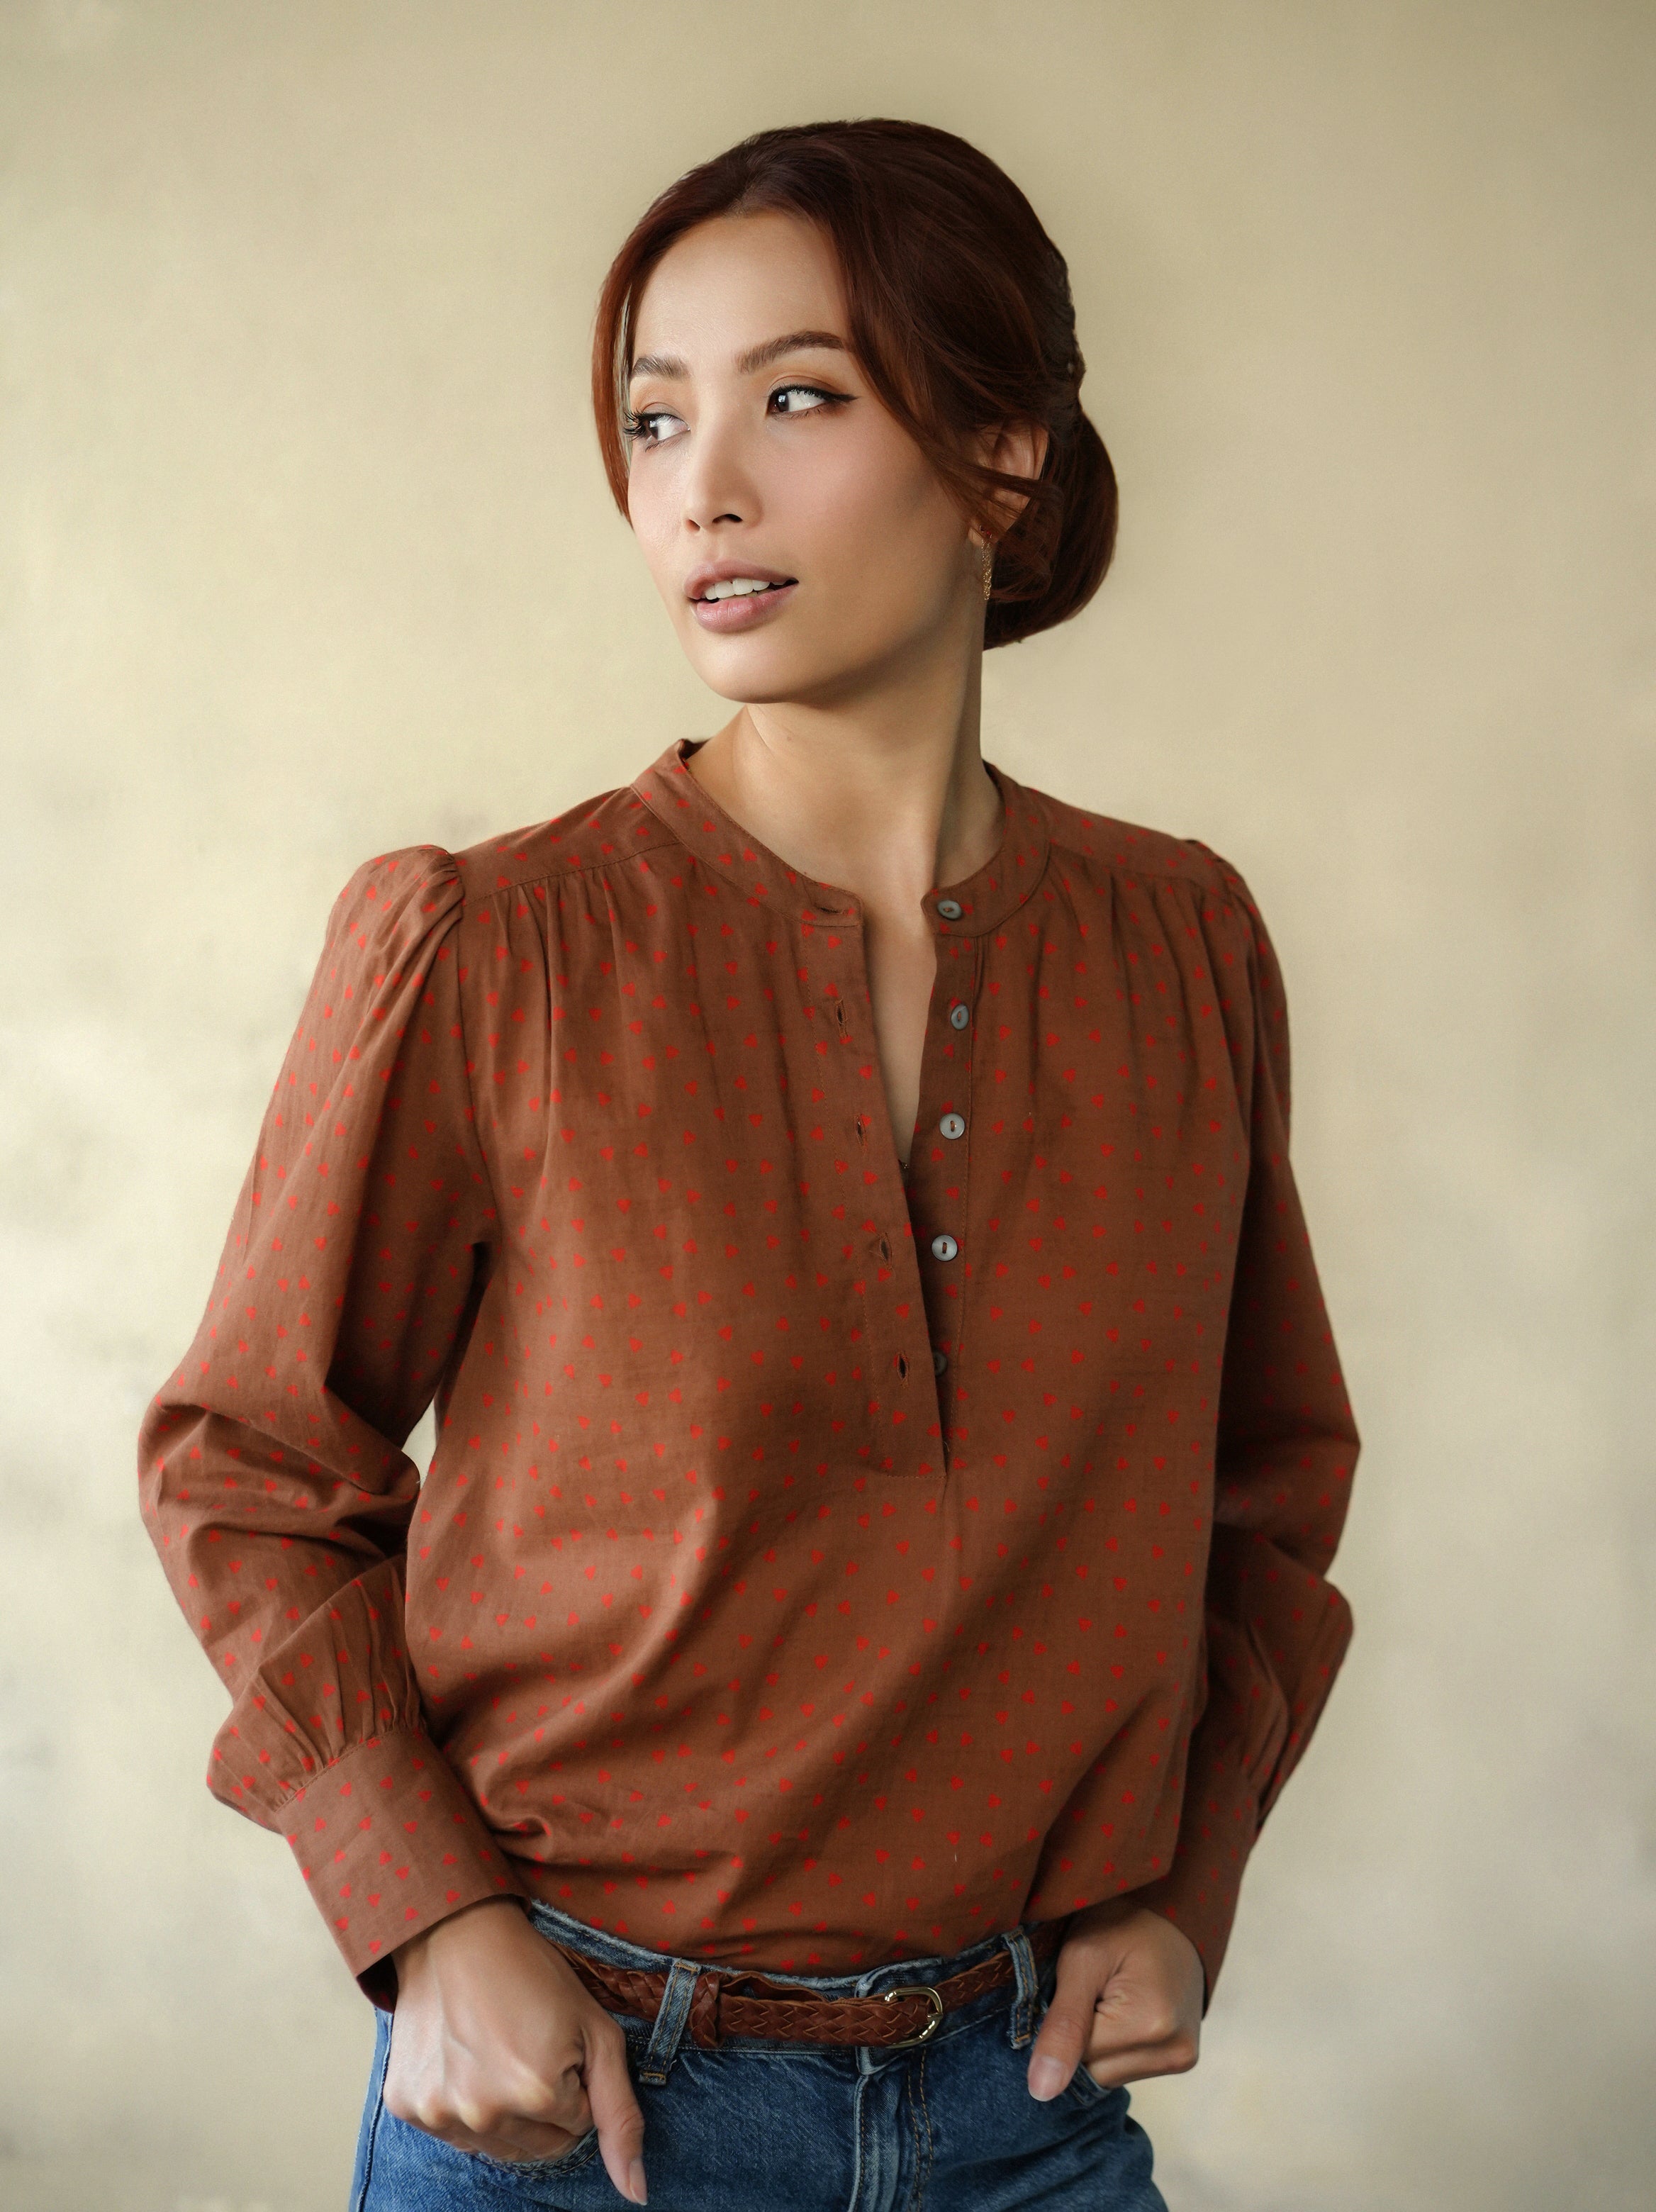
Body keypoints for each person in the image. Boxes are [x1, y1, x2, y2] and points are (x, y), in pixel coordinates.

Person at [138, 118, 1359, 2211]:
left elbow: (1262, 1482)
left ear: (1003, 458)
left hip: (1028, 2112)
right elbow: (251, 1467)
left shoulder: (1180, 944)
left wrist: (1191, 1880)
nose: (700, 485)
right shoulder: (490, 948)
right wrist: (429, 1913)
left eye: (797, 399)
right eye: (653, 417)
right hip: (575, 2109)